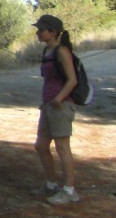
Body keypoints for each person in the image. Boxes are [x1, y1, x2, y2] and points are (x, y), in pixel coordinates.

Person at [32, 14, 80, 205]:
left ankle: (69, 190)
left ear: (53, 32)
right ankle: (51, 184)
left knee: (62, 147)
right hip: (49, 105)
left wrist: (59, 99)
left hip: (61, 105)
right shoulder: (47, 51)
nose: (37, 32)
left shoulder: (62, 51)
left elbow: (72, 80)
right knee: (41, 146)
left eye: (41, 29)